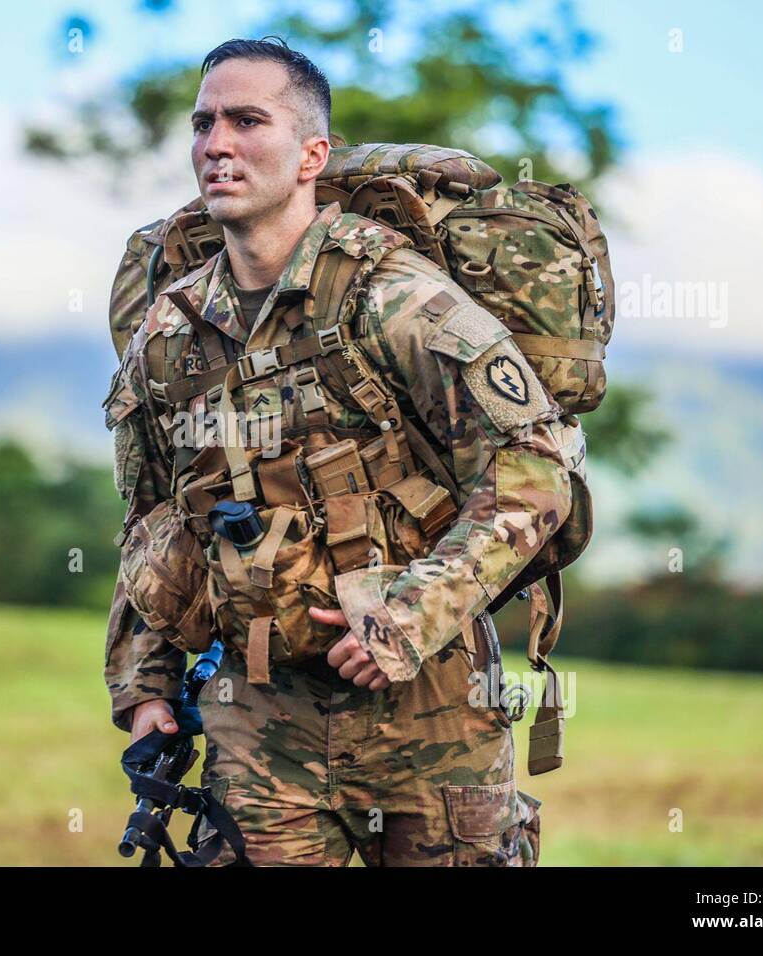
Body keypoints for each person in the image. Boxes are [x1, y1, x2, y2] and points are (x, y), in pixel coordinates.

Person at [104, 37, 571, 866]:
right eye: (204, 123)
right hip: (257, 718)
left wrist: (410, 615)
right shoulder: (170, 330)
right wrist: (146, 686)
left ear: (312, 153)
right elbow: (154, 520)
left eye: (249, 121)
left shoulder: (398, 300)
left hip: (432, 711)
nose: (217, 144)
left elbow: (534, 475)